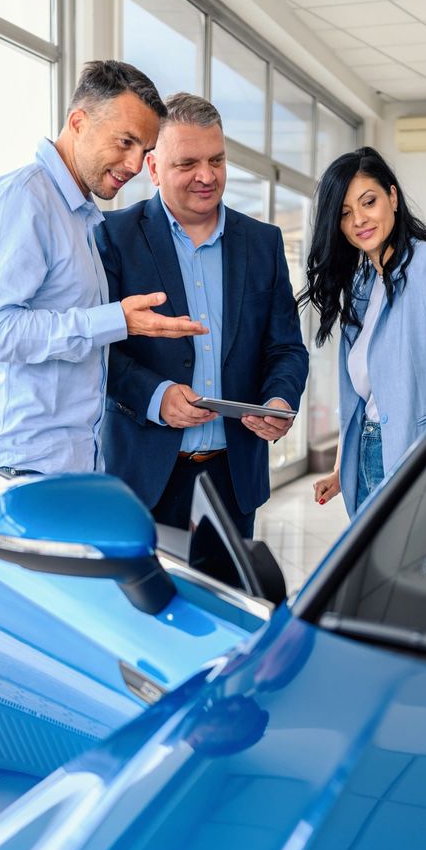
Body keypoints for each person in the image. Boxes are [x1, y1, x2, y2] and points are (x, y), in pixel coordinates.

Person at [0, 60, 207, 476]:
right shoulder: (22, 200)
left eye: (145, 151)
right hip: (20, 469)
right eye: (125, 142)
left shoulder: (81, 216)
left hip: (69, 467)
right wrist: (116, 321)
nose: (135, 165)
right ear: (78, 122)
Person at [96, 93, 309, 539]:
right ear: (153, 168)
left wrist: (279, 399)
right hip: (143, 479)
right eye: (187, 163)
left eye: (217, 160)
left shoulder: (263, 243)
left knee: (229, 586)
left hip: (234, 478)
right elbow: (98, 351)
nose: (207, 176)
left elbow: (286, 347)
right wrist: (156, 396)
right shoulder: (113, 238)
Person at [302, 146, 426, 516]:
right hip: (365, 460)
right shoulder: (361, 283)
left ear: (392, 197)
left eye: (368, 202)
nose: (359, 219)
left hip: (421, 463)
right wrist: (342, 468)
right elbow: (364, 394)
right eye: (345, 213)